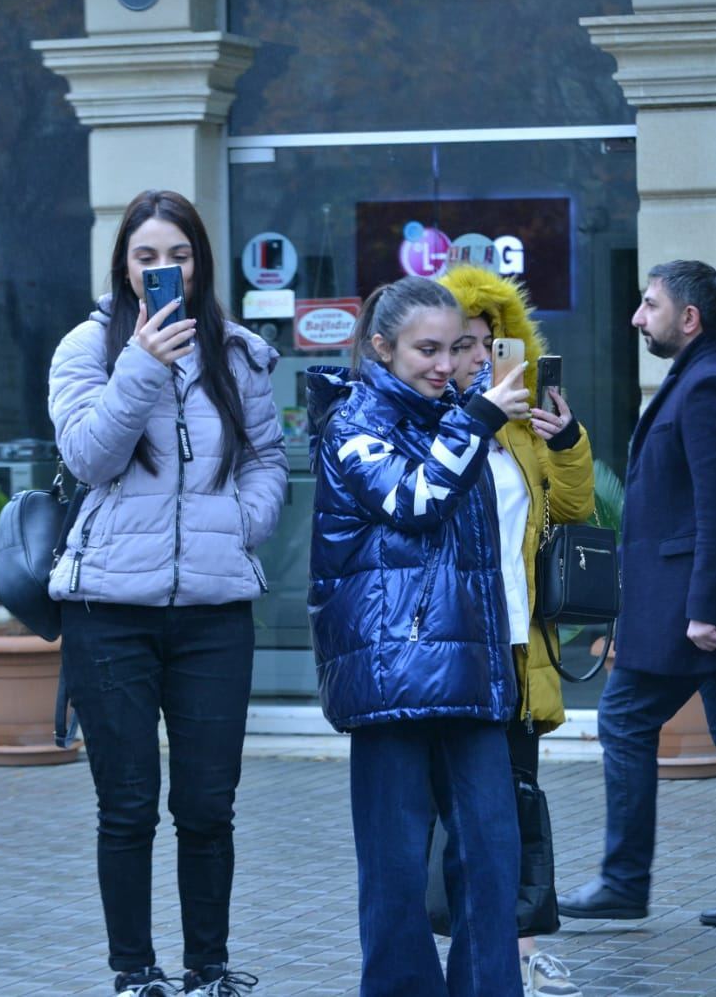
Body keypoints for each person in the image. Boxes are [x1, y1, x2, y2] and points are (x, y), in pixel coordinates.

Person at [48, 189, 287, 997]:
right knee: (128, 805)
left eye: (177, 255)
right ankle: (134, 972)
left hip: (215, 612)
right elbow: (88, 456)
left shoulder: (241, 353)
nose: (162, 269)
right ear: (123, 264)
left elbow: (266, 459)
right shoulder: (86, 348)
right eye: (146, 256)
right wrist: (142, 364)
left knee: (207, 804)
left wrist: (241, 523)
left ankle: (209, 968)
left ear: (200, 261)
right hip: (108, 609)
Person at [559, 259, 716, 928]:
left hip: (692, 610)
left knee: (625, 719)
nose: (637, 318)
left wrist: (705, 609)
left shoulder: (710, 388)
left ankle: (623, 881)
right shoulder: (703, 377)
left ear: (689, 318)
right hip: (690, 603)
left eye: (649, 306)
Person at [306, 274, 530, 997]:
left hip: (470, 668)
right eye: (425, 349)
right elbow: (415, 500)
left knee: (494, 859)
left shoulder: (460, 414)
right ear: (382, 347)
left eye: (454, 347)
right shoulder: (353, 421)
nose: (443, 363)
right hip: (391, 676)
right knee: (397, 872)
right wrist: (479, 419)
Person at [437, 264, 595, 997]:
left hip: (517, 644)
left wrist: (562, 440)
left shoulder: (519, 428)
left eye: (488, 343)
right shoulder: (431, 423)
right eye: (463, 344)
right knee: (459, 805)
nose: (476, 358)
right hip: (451, 647)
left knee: (518, 796)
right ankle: (474, 949)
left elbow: (572, 509)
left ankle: (521, 948)